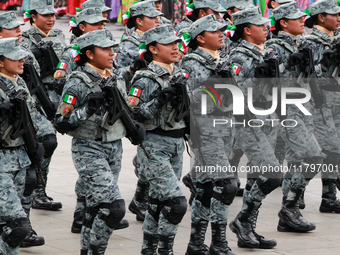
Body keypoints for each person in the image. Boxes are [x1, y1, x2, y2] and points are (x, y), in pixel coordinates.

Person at [55, 29, 135, 254]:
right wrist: (87, 109)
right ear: (89, 54)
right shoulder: (77, 82)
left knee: (94, 208)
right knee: (113, 208)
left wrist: (133, 127)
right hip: (88, 148)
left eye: (112, 49)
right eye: (106, 49)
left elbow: (124, 107)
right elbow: (61, 122)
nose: (112, 53)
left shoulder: (115, 76)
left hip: (114, 147)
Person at [265, 1, 325, 233]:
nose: (303, 21)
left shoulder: (300, 45)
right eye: (296, 18)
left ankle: (289, 213)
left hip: (302, 107)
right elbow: (265, 82)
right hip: (284, 110)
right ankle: (289, 208)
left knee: (296, 162)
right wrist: (288, 64)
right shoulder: (273, 48)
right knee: (313, 158)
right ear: (283, 23)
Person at [180, 14, 238, 255]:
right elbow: (187, 101)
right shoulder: (191, 63)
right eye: (215, 32)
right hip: (206, 132)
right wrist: (211, 87)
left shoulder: (221, 60)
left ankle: (195, 243)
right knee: (227, 185)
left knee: (204, 187)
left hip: (226, 130)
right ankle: (219, 242)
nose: (221, 34)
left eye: (222, 30)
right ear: (201, 38)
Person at [128, 24, 187, 255]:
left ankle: (148, 249)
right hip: (154, 146)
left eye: (176, 43)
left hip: (176, 144)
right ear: (153, 48)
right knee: (176, 203)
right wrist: (159, 100)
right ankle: (165, 250)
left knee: (158, 201)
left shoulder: (178, 73)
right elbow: (133, 115)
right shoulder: (145, 79)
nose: (175, 47)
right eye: (169, 44)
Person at [0, 11, 57, 248]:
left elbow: (30, 117)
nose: (22, 61)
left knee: (17, 225)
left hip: (21, 157)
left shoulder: (18, 80)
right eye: (16, 58)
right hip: (2, 160)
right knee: (15, 225)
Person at [227, 7, 281, 249]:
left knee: (255, 178)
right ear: (247, 30)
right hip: (249, 122)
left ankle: (247, 229)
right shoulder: (239, 56)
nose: (266, 28)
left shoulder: (265, 51)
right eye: (260, 26)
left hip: (268, 120)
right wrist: (256, 79)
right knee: (273, 175)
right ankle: (243, 220)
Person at [117, 0, 163, 222]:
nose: (157, 20)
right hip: (137, 104)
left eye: (157, 17)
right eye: (152, 18)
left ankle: (140, 200)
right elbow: (119, 75)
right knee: (150, 151)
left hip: (156, 102)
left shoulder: (158, 39)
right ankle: (141, 201)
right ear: (139, 21)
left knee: (151, 151)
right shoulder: (130, 45)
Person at [21, 0, 65, 211]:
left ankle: (39, 190)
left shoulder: (59, 36)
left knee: (48, 145)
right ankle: (35, 191)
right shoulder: (25, 40)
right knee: (46, 141)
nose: (50, 19)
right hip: (37, 96)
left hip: (57, 94)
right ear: (33, 16)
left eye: (53, 15)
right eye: (45, 15)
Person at [300, 0, 340, 214]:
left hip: (337, 100)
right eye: (334, 15)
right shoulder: (309, 42)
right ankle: (294, 195)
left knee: (334, 152)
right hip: (319, 103)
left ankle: (329, 196)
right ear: (321, 18)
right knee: (333, 150)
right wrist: (322, 64)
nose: (338, 18)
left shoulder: (338, 39)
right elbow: (302, 73)